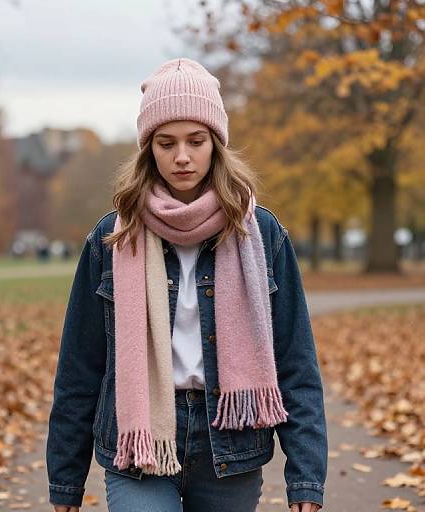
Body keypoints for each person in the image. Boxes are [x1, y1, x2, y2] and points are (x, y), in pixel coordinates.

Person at [46, 57, 327, 512]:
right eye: (166, 142)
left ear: (216, 143)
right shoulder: (112, 238)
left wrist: (306, 478)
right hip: (138, 439)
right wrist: (65, 480)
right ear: (148, 148)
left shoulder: (261, 234)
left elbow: (295, 359)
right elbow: (79, 366)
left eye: (196, 141)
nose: (181, 156)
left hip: (230, 444)